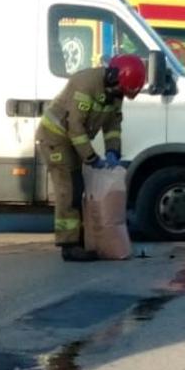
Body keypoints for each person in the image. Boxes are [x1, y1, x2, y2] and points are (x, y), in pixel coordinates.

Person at [36, 54, 146, 262]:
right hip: (55, 138)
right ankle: (69, 246)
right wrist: (91, 157)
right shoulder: (85, 84)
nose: (120, 95)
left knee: (79, 188)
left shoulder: (116, 92)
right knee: (69, 189)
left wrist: (113, 151)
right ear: (113, 76)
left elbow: (113, 126)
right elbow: (75, 127)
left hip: (73, 141)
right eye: (120, 90)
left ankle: (82, 239)